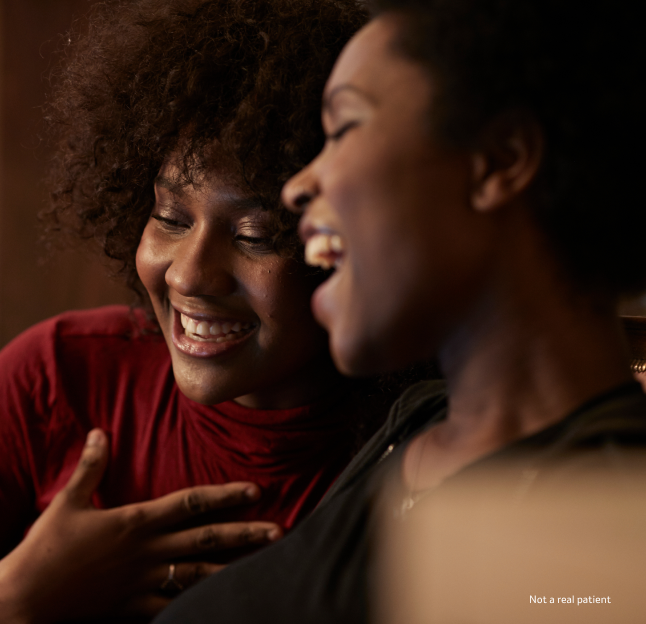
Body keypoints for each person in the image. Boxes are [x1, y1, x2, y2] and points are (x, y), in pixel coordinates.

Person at [153, 0, 646, 622]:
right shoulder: (418, 424)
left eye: (344, 130)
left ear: (499, 160)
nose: (300, 186)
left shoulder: (599, 511)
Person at [0, 1, 378, 622]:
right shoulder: (58, 379)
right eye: (171, 218)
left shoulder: (411, 454)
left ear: (346, 244)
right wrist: (21, 598)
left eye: (257, 235)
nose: (189, 273)